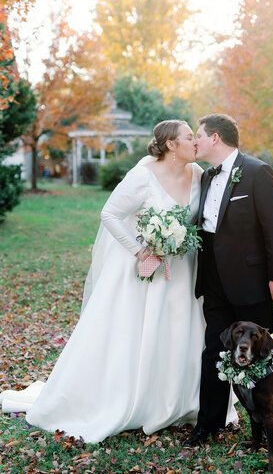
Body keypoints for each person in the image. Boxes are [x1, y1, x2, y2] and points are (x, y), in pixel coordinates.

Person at [1, 120, 238, 443]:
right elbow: (110, 214)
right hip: (143, 274)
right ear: (170, 145)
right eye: (187, 137)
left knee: (179, 330)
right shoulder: (143, 175)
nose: (194, 143)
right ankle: (131, 400)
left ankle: (180, 401)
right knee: (135, 333)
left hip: (184, 272)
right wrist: (142, 250)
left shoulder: (198, 174)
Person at [184, 113, 273, 446]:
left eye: (198, 135)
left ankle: (267, 425)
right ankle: (207, 424)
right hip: (213, 278)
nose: (195, 142)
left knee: (259, 356)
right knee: (214, 351)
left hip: (251, 280)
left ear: (215, 138)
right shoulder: (203, 177)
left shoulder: (258, 172)